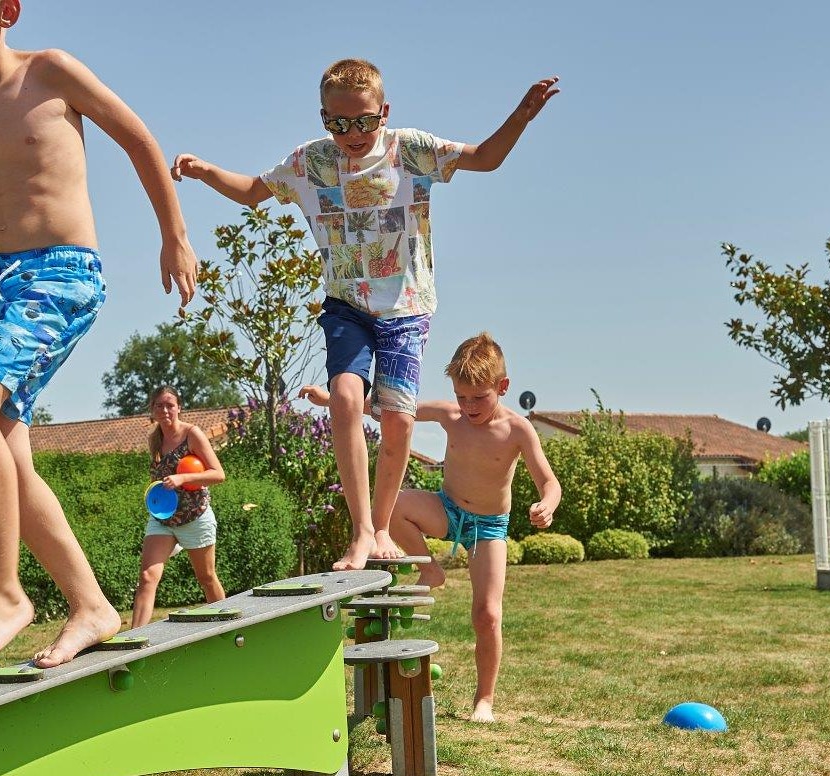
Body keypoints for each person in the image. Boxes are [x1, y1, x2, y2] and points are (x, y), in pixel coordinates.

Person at [0, 0, 198, 669]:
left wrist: (173, 236)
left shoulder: (50, 73)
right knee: (6, 457)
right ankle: (91, 604)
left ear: (6, 11)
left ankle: (3, 590)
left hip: (60, 275)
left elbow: (139, 140)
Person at [171, 58, 559, 571]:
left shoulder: (411, 150)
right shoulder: (310, 162)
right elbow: (251, 192)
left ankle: (380, 529)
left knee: (398, 422)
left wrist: (522, 116)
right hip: (347, 305)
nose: (352, 134)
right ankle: (360, 532)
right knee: (346, 400)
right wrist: (204, 172)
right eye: (338, 123)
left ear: (384, 112)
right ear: (324, 118)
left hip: (406, 308)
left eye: (364, 121)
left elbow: (485, 158)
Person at [301, 333, 561, 723]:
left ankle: (484, 700)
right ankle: (430, 569)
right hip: (448, 508)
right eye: (462, 396)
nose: (469, 406)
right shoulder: (448, 413)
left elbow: (549, 482)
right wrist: (333, 399)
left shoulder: (518, 429)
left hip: (488, 528)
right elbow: (392, 409)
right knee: (394, 504)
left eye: (479, 397)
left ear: (502, 387)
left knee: (487, 614)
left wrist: (547, 505)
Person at [131, 387, 227, 628]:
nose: (164, 410)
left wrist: (182, 479)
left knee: (205, 577)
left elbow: (218, 474)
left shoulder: (192, 434)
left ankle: (226, 626)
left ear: (179, 407)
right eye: (159, 406)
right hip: (163, 519)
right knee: (146, 578)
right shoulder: (155, 439)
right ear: (152, 410)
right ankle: (132, 641)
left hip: (195, 516)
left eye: (169, 405)